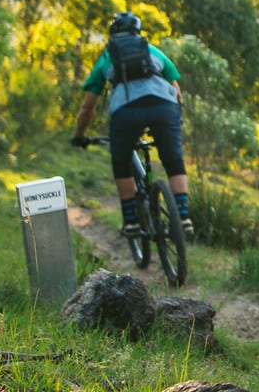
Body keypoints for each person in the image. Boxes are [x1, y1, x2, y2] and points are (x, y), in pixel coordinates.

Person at [70, 12, 192, 233]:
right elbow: (177, 93)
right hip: (164, 107)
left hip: (126, 112)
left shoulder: (108, 57)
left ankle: (132, 221)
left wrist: (79, 135)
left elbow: (88, 107)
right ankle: (183, 216)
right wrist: (174, 120)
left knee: (121, 161)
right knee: (174, 160)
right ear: (138, 32)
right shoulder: (153, 51)